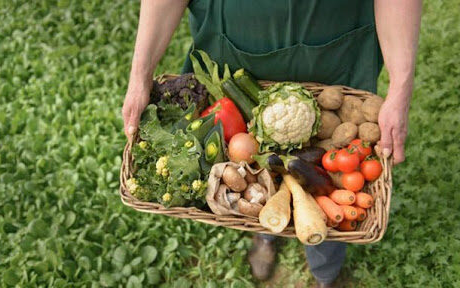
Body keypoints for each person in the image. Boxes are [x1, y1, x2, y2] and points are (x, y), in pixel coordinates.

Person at [122, 1, 421, 286]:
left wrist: (401, 87)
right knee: (255, 177)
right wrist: (139, 75)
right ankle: (265, 230)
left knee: (329, 190)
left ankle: (325, 271)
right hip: (234, 53)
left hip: (333, 54)